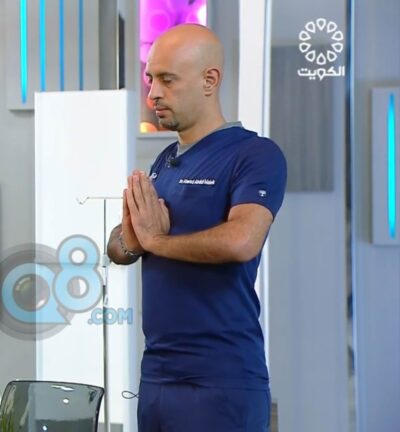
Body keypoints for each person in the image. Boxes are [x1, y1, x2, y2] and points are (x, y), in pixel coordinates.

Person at [107, 24, 287, 431]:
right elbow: (120, 247)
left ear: (210, 80)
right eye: (151, 79)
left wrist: (156, 240)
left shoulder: (254, 154)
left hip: (221, 379)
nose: (153, 94)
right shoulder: (164, 161)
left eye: (167, 80)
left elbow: (241, 241)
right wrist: (132, 240)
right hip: (157, 376)